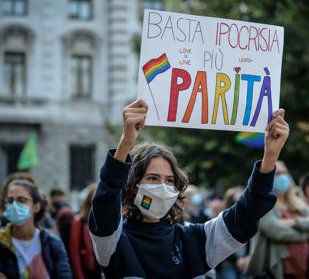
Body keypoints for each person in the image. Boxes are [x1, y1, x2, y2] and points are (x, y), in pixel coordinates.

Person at [88, 99, 289, 278]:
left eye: (169, 181)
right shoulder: (113, 240)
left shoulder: (193, 239)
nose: (162, 188)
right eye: (152, 178)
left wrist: (270, 156)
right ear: (132, 186)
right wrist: (125, 144)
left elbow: (246, 214)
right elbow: (104, 205)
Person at [246, 162, 309, 279]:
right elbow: (276, 231)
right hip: (279, 271)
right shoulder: (263, 205)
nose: (283, 177)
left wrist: (295, 222)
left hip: (304, 270)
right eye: (277, 173)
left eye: (284, 173)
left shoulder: (296, 203)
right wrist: (306, 232)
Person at [0, 178, 72, 278]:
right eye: (10, 200)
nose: (14, 205)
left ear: (36, 207)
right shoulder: (2, 242)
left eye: (21, 200)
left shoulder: (53, 245)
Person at [69, 183, 102, 279]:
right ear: (89, 200)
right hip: (88, 270)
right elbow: (74, 252)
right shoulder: (79, 221)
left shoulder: (108, 220)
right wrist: (79, 276)